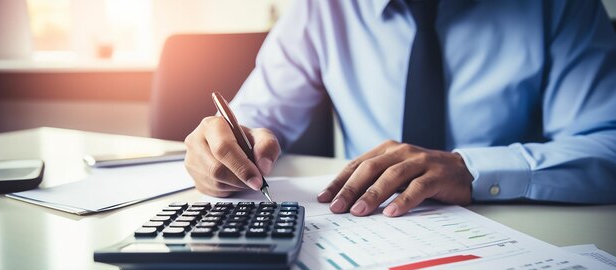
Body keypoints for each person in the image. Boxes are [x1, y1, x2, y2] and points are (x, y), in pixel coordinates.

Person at [184, 0, 616, 217]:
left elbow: (607, 141)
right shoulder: (322, 8)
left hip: (516, 226)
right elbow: (259, 120)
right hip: (367, 228)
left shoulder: (561, 7)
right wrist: (227, 148)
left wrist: (473, 169)